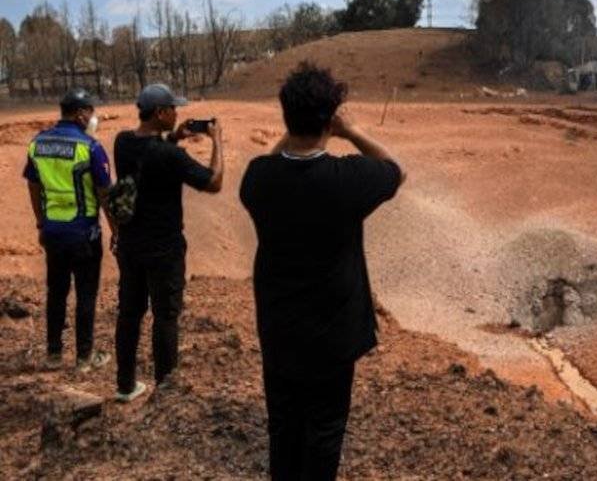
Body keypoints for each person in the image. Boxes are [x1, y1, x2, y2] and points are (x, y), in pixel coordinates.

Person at [240, 63, 405, 480]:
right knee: (324, 433)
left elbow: (274, 158)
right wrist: (348, 132)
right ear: (330, 118)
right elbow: (395, 170)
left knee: (283, 429)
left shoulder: (258, 179)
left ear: (285, 115)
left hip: (279, 330)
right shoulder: (347, 179)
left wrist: (297, 128)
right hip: (333, 336)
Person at [112, 83, 223, 403]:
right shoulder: (171, 156)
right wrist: (218, 142)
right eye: (173, 109)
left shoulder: (122, 142)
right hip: (165, 250)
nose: (177, 114)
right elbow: (214, 182)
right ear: (160, 113)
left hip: (131, 245)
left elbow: (148, 154)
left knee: (129, 313)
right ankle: (164, 393)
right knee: (165, 316)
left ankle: (124, 385)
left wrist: (175, 136)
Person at [24, 89, 115, 372]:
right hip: (84, 234)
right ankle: (84, 359)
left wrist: (41, 223)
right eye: (90, 111)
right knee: (86, 294)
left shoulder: (37, 144)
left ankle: (53, 355)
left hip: (53, 232)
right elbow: (104, 194)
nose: (93, 117)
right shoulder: (90, 147)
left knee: (57, 291)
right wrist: (116, 230)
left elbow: (33, 185)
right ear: (80, 114)